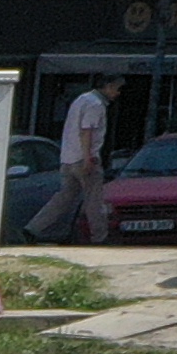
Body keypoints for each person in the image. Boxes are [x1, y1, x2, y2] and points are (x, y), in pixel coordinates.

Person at [59, 75, 114, 243]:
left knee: (63, 198)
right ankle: (100, 237)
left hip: (68, 158)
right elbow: (86, 131)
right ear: (107, 86)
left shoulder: (81, 99)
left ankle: (33, 229)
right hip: (84, 158)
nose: (117, 93)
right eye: (117, 89)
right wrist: (87, 158)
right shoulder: (96, 105)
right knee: (94, 200)